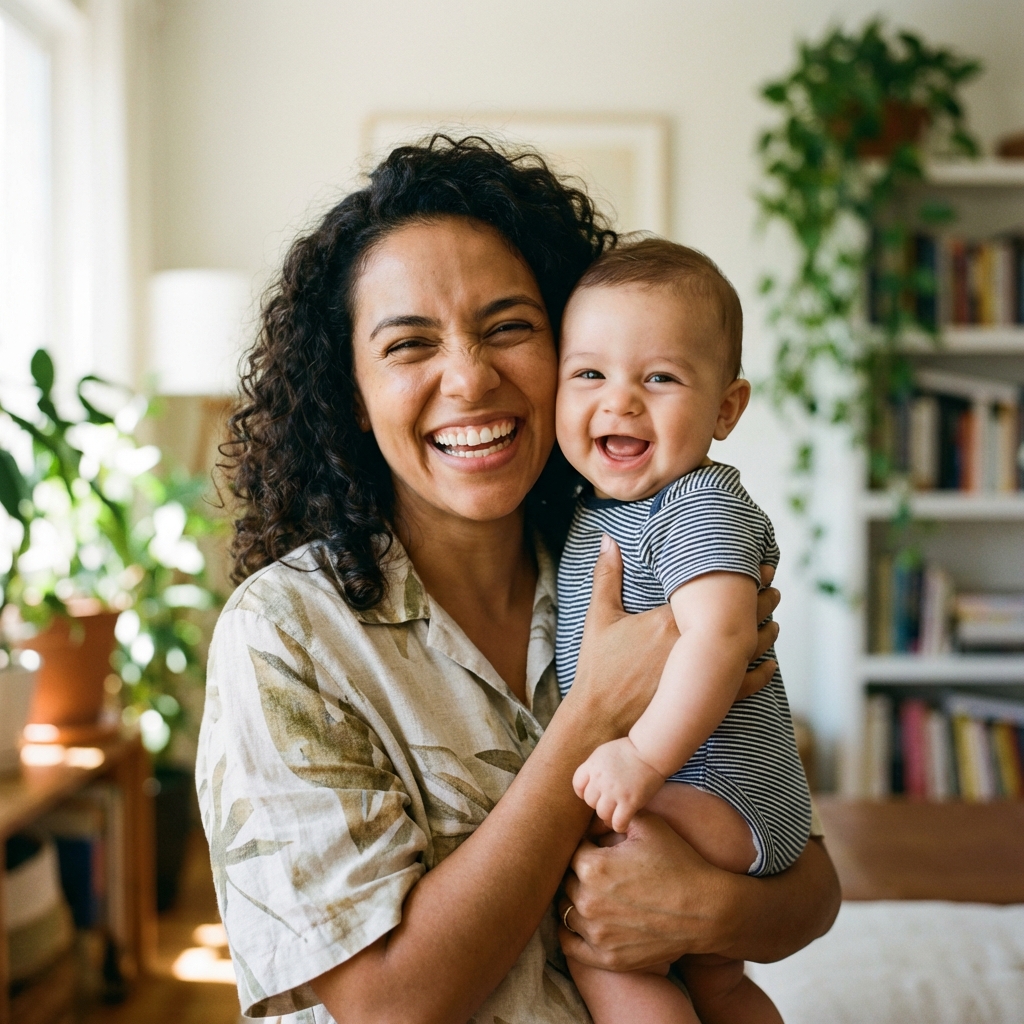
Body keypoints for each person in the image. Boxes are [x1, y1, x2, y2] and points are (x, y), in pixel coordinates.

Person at [197, 135, 840, 1024]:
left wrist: (706, 911)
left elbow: (809, 883)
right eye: (408, 344)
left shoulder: (648, 567)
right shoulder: (286, 636)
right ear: (350, 390)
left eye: (509, 328)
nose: (469, 377)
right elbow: (388, 1007)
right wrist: (593, 718)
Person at [554, 238, 811, 1023]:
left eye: (659, 378)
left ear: (726, 409)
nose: (621, 401)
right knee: (717, 980)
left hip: (712, 788)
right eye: (590, 373)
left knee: (602, 943)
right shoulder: (603, 509)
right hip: (708, 789)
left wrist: (641, 754)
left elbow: (719, 639)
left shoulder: (696, 505)